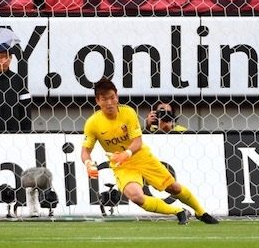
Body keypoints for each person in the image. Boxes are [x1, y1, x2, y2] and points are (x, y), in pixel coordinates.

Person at [81, 78, 218, 224]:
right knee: (136, 197)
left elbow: (138, 142)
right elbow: (85, 152)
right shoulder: (92, 123)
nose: (109, 103)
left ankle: (201, 212)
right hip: (122, 166)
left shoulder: (128, 113)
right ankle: (178, 212)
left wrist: (126, 154)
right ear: (97, 101)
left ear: (117, 97)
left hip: (142, 158)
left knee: (173, 187)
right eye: (104, 99)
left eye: (112, 98)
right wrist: (88, 163)